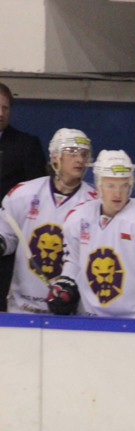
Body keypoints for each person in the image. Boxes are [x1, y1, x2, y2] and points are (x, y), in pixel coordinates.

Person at [47, 150, 135, 331]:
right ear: (98, 186)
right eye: (111, 185)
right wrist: (66, 284)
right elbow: (74, 261)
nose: (118, 193)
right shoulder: (77, 217)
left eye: (124, 186)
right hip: (89, 323)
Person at [0, 128, 97, 313]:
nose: (80, 159)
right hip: (23, 306)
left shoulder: (95, 202)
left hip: (71, 308)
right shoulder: (23, 193)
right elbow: (7, 232)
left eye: (84, 154)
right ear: (54, 156)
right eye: (72, 152)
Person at [0, 82, 49, 311]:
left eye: (5, 108)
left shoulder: (26, 145)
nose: (1, 113)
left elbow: (39, 195)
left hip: (8, 242)